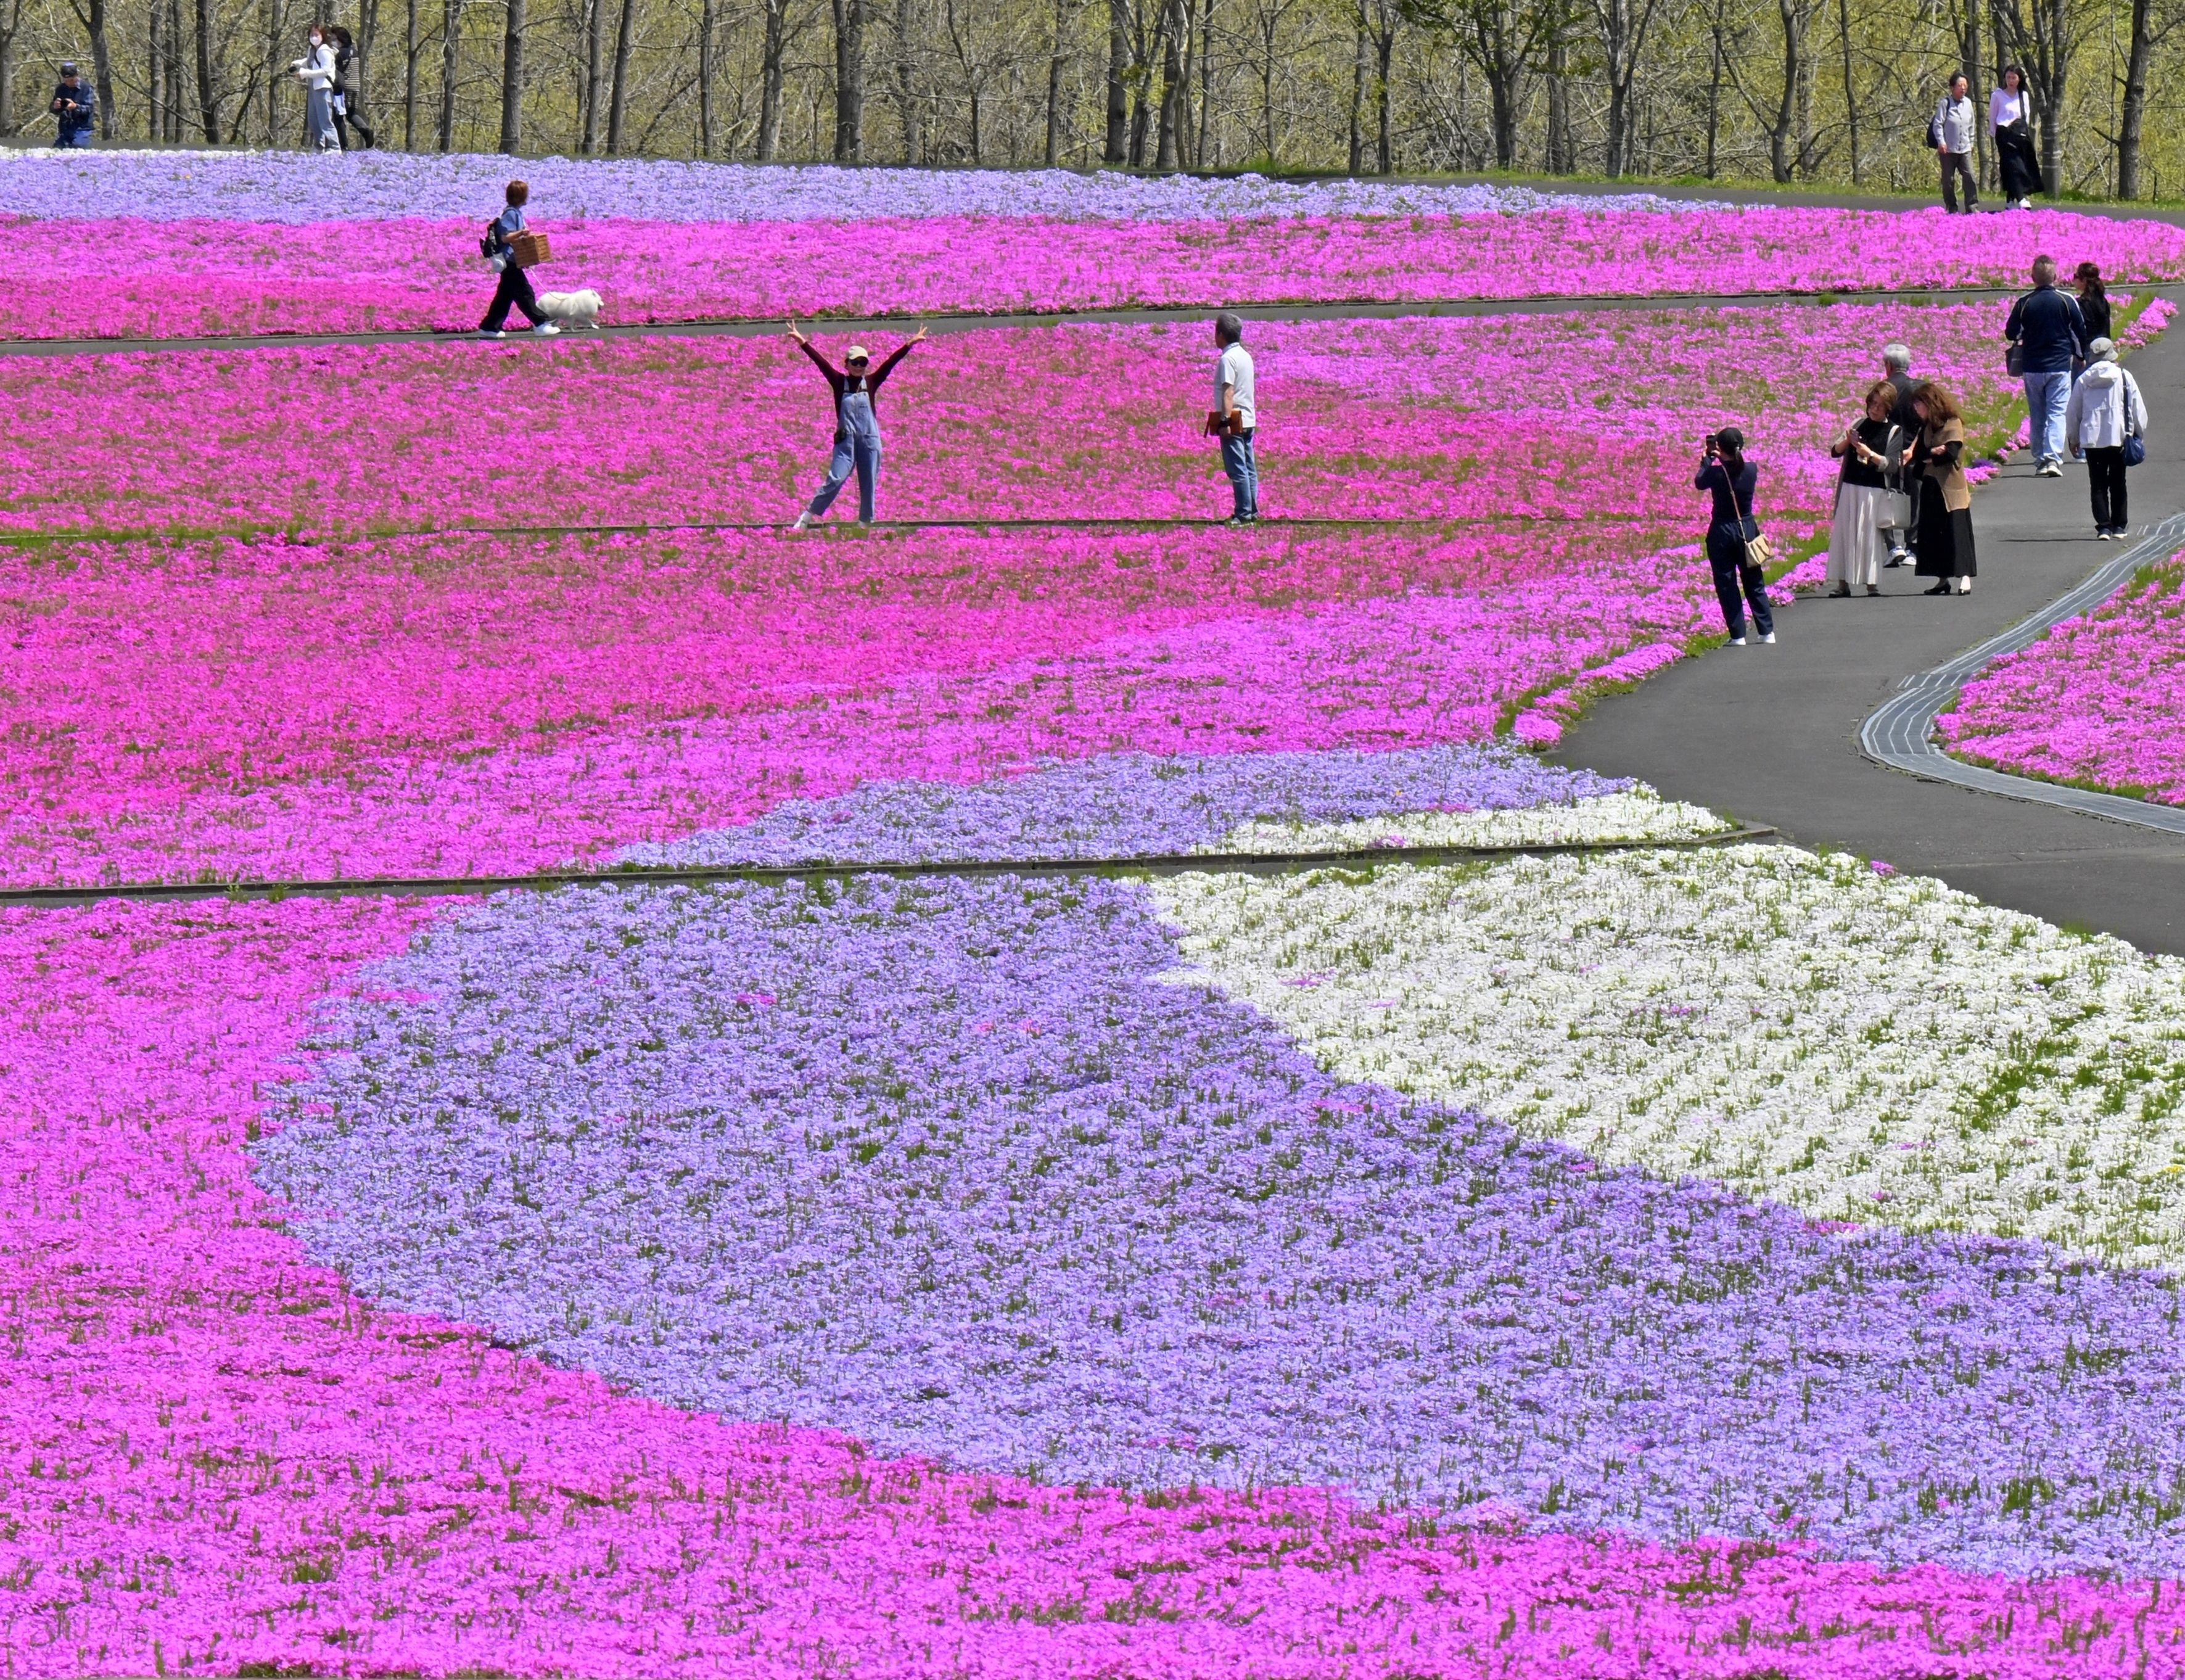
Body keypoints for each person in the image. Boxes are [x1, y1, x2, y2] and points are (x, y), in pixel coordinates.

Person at [787, 323, 928, 529]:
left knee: (869, 481)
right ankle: (807, 517)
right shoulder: (838, 382)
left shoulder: (871, 382)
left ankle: (865, 523)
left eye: (863, 362)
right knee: (836, 478)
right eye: (855, 362)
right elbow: (820, 363)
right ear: (846, 364)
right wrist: (802, 342)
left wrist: (910, 344)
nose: (859, 366)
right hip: (846, 441)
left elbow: (890, 363)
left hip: (869, 440)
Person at [2005, 253, 2088, 476]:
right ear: (2056, 277)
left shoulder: (2024, 303)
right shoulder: (2066, 301)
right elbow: (2079, 332)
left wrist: (2026, 332)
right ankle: (2053, 459)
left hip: (2032, 367)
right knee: (2057, 413)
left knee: (2037, 414)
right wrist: (2080, 356)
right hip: (2059, 366)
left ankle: (2040, 459)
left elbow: (2011, 332)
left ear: (2033, 278)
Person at [1695, 427, 1775, 646]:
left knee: (1727, 583)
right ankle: (1767, 631)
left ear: (1720, 447)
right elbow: (1737, 465)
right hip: (1747, 528)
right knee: (1754, 581)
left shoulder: (1715, 473)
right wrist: (1724, 456)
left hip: (1722, 530)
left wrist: (1707, 459)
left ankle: (1738, 635)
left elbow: (1699, 482)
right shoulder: (1751, 470)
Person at [2065, 337, 2149, 540]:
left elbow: (2073, 412)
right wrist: (2139, 433)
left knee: (2098, 484)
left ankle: (2104, 527)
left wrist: (2073, 438)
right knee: (2119, 482)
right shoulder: (2124, 376)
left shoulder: (2083, 380)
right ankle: (2119, 526)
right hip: (2119, 436)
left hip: (2092, 439)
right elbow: (2137, 408)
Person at [1827, 381, 1903, 598]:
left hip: (1874, 490)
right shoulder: (1858, 423)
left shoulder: (1894, 431)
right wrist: (1848, 442)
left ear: (1888, 408)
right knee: (1844, 534)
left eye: (1880, 405)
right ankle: (1843, 584)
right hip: (1850, 486)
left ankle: (1871, 584)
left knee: (1869, 536)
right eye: (1872, 403)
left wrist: (1869, 454)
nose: (1874, 409)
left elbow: (1892, 465)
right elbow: (1835, 451)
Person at [1910, 382, 1977, 595]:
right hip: (1931, 485)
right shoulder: (1927, 427)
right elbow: (1918, 454)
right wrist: (1933, 452)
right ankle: (1942, 580)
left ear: (1930, 403)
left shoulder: (1953, 423)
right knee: (1934, 534)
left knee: (1956, 532)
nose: (1917, 409)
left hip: (1951, 487)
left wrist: (1933, 455)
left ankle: (1964, 577)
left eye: (1919, 404)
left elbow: (1951, 454)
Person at [478, 179, 559, 339]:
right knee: (524, 293)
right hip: (509, 260)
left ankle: (490, 327)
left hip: (512, 260)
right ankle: (540, 324)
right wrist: (521, 233)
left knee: (505, 296)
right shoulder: (511, 214)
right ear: (520, 197)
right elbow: (505, 237)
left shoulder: (515, 212)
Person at [1210, 311, 1258, 525]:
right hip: (1248, 418)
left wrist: (1224, 421)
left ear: (1221, 335)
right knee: (1249, 468)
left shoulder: (1227, 359)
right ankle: (1252, 511)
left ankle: (1243, 514)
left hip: (1234, 420)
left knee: (1238, 469)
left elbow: (1228, 392)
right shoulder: (1245, 356)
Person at [1882, 343, 1920, 565]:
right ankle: (1912, 548)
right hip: (1912, 452)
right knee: (1915, 498)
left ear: (1888, 365)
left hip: (1889, 451)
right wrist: (1913, 449)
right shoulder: (1920, 389)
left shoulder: (1883, 390)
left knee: (1886, 497)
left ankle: (1893, 547)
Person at [1990, 66, 2041, 209]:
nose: (2011, 81)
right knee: (2014, 165)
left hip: (2019, 135)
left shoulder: (2023, 95)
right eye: (2008, 78)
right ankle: (2021, 198)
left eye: (2014, 78)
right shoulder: (1998, 95)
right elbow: (1992, 117)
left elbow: (2026, 116)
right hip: (2004, 134)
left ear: (2019, 79)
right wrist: (1995, 135)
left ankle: (2010, 200)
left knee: (2014, 166)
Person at [1932, 75, 1978, 213]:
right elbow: (1938, 124)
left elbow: (1972, 124)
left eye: (1965, 85)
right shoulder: (1945, 103)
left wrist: (1971, 142)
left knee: (1970, 176)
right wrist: (1941, 142)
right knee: (1949, 180)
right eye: (1960, 85)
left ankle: (1972, 207)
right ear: (1952, 88)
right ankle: (1952, 208)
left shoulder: (1968, 103)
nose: (1963, 88)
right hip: (1948, 149)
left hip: (1965, 148)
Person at [291, 25, 340, 151]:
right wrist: (298, 64)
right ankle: (319, 146)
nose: (314, 38)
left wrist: (305, 73)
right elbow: (310, 61)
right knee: (313, 119)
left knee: (325, 119)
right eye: (312, 35)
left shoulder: (324, 51)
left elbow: (325, 70)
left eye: (317, 35)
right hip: (314, 86)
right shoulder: (312, 50)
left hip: (323, 87)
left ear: (322, 36)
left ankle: (334, 147)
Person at [327, 27, 376, 149]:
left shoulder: (340, 54)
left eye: (334, 38)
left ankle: (344, 145)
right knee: (351, 114)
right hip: (355, 87)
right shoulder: (354, 51)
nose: (333, 41)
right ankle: (365, 131)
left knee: (338, 116)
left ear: (341, 39)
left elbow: (336, 72)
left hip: (343, 89)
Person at [48, 63, 96, 147]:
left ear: (77, 76)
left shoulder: (86, 88)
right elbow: (53, 109)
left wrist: (75, 107)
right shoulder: (60, 89)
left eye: (72, 80)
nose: (69, 83)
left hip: (82, 128)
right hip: (65, 128)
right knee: (58, 148)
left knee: (78, 146)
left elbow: (89, 108)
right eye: (66, 81)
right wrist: (55, 107)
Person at [2074, 261, 2112, 350]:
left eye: (2076, 276)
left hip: (2089, 348)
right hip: (2105, 346)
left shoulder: (2080, 303)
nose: (2074, 280)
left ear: (2084, 280)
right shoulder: (2103, 301)